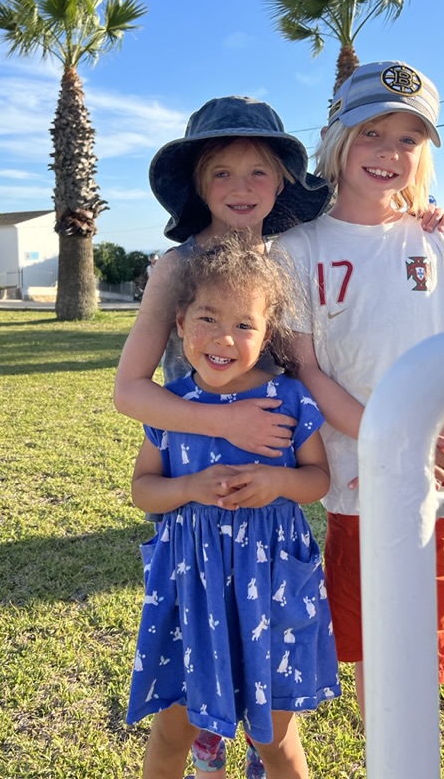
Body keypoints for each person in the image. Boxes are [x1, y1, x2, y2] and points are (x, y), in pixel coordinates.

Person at [114, 92, 444, 778]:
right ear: (197, 184)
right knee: (186, 694)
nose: (240, 188)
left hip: (274, 514)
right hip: (196, 504)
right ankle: (208, 730)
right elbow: (130, 390)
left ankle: (245, 737)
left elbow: (367, 240)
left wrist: (418, 219)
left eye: (259, 172)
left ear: (282, 182)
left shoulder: (295, 253)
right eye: (221, 172)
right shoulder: (176, 268)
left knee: (271, 697)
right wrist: (223, 420)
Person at [272, 60, 444, 715]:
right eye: (372, 133)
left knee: (431, 642)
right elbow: (309, 370)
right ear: (337, 138)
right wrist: (396, 443)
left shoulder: (442, 242)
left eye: (408, 139)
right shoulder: (297, 250)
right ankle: (386, 753)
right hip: (362, 480)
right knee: (374, 646)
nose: (389, 153)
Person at [125, 238, 340, 779]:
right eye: (207, 318)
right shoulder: (172, 406)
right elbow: (143, 489)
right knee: (172, 732)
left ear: (267, 335)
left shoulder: (290, 399)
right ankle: (206, 743)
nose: (223, 338)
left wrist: (277, 481)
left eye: (244, 325)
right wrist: (189, 488)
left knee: (276, 740)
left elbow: (318, 479)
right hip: (192, 591)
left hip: (270, 586)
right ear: (180, 324)